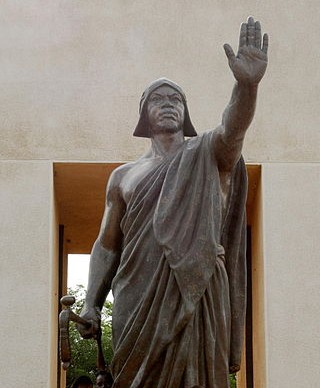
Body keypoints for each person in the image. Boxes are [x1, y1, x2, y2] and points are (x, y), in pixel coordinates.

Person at [78, 17, 268, 387]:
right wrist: (92, 302)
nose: (167, 104)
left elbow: (234, 128)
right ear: (143, 115)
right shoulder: (124, 176)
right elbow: (107, 243)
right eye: (157, 99)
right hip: (138, 297)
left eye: (175, 99)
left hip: (196, 286)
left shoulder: (209, 153)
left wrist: (246, 87)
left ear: (186, 112)